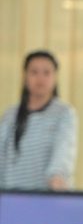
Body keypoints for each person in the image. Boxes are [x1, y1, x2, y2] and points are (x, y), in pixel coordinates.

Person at [0, 50, 78, 191]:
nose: (40, 78)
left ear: (55, 77)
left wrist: (57, 180)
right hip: (11, 196)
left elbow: (63, 153)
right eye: (34, 72)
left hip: (48, 196)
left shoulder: (64, 113)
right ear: (25, 77)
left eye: (46, 73)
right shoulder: (10, 115)